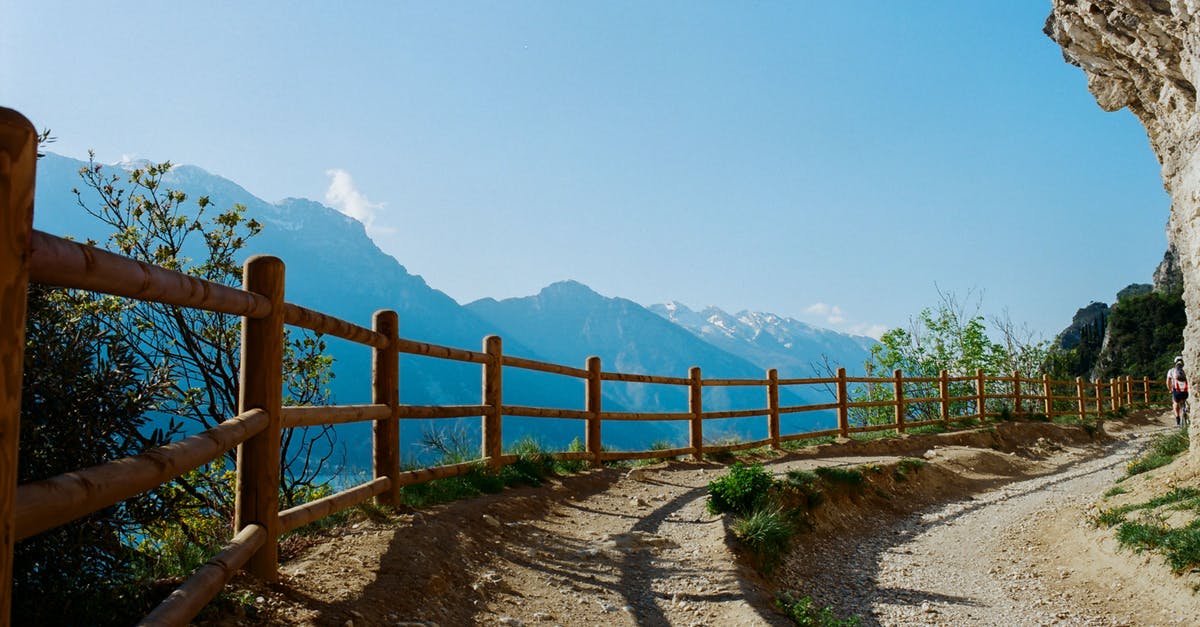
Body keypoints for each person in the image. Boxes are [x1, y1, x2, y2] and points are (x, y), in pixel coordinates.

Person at [1167, 356, 1189, 426]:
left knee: (1175, 403)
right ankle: (1186, 410)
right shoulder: (1186, 370)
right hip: (1186, 391)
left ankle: (1178, 420)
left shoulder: (1171, 371)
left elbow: (1168, 382)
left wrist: (1170, 390)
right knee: (1186, 400)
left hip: (1177, 391)